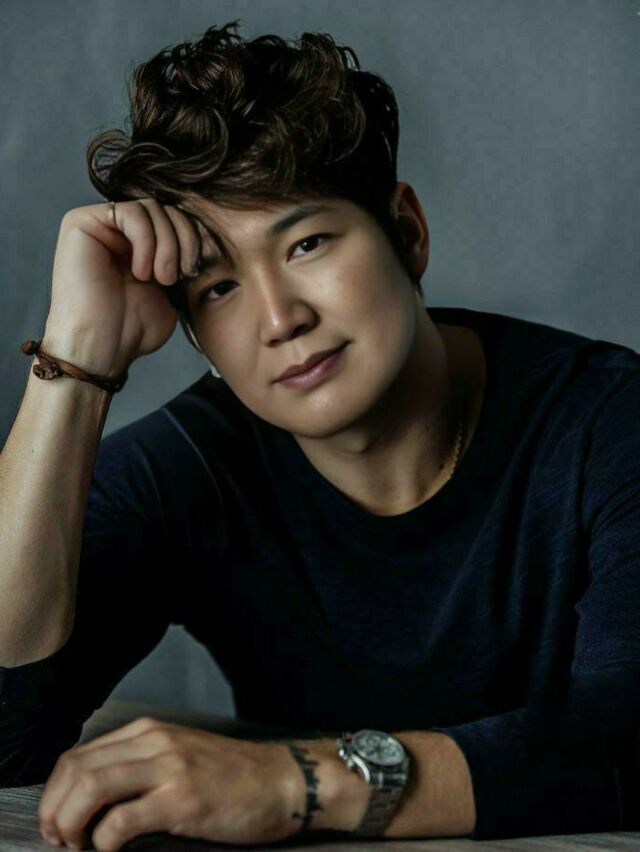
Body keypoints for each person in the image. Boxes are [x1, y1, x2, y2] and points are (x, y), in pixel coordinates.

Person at [1, 18, 639, 851]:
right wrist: (78, 364)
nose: (280, 319)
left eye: (306, 243)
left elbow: (625, 735)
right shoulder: (195, 467)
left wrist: (296, 782)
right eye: (218, 288)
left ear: (406, 231)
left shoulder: (607, 422)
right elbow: (6, 733)